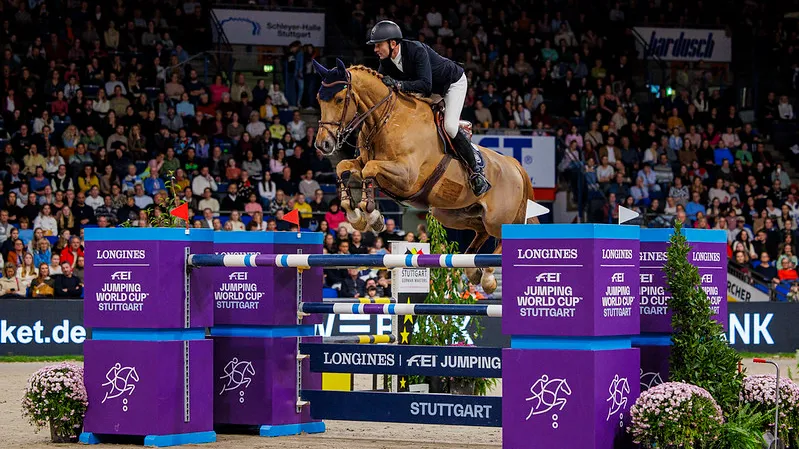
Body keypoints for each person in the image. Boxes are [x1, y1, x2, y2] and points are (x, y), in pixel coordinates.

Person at [367, 20, 490, 196]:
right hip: (431, 90)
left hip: (451, 84)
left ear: (392, 43)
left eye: (378, 45)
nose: (375, 49)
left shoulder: (416, 50)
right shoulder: (386, 61)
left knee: (449, 126)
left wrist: (398, 84)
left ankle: (476, 169)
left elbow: (425, 85)